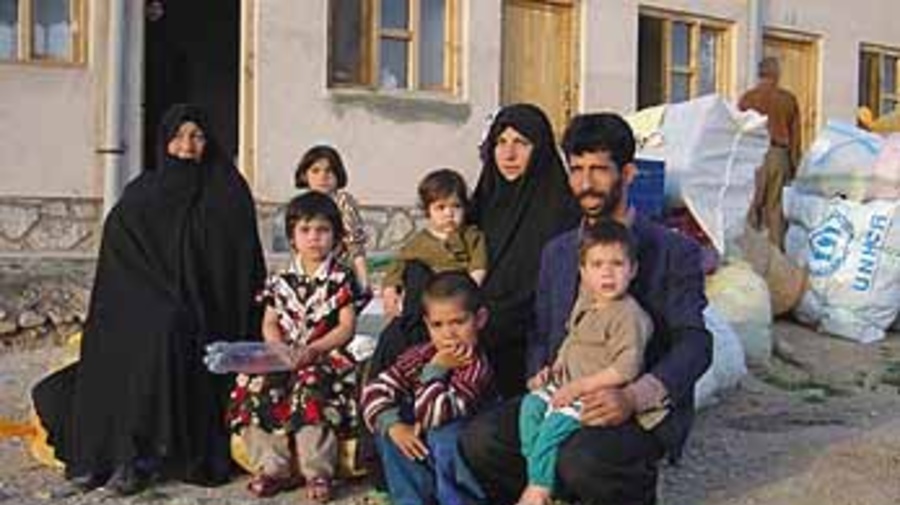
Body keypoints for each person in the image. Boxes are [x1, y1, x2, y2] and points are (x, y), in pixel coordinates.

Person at [461, 113, 712, 505]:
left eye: (599, 170)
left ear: (627, 173)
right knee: (481, 440)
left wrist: (633, 396)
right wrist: (540, 374)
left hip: (634, 405)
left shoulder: (671, 250)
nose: (586, 184)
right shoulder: (559, 251)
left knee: (583, 458)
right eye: (577, 170)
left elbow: (695, 344)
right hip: (565, 393)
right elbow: (542, 331)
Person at [31, 104, 266, 494]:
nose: (187, 145)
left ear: (208, 141)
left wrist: (183, 293)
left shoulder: (226, 189)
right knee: (114, 333)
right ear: (165, 141)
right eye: (179, 136)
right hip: (147, 296)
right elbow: (120, 250)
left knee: (161, 331)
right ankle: (98, 457)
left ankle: (138, 459)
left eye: (197, 136)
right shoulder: (144, 190)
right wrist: (148, 294)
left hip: (204, 310)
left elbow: (235, 264)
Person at [227, 192, 361, 502]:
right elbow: (270, 321)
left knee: (310, 389)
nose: (314, 238)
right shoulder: (280, 279)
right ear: (292, 237)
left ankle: (318, 472)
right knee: (256, 384)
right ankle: (273, 467)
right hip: (283, 354)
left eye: (323, 230)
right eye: (305, 230)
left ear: (336, 236)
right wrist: (278, 349)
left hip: (325, 354)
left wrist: (314, 350)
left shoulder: (341, 278)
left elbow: (346, 327)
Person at [517, 219, 658, 505]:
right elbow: (573, 337)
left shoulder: (628, 316)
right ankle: (543, 477)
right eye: (597, 265)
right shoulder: (587, 301)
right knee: (530, 407)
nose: (607, 273)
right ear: (583, 272)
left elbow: (626, 367)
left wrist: (580, 387)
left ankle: (540, 490)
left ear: (633, 270)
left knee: (555, 424)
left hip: (595, 394)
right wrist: (553, 367)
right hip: (567, 382)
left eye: (617, 264)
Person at [470, 103, 580, 399]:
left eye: (521, 143)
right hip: (469, 322)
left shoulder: (560, 212)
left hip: (525, 343)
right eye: (501, 142)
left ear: (540, 149)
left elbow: (549, 297)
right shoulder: (483, 202)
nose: (509, 154)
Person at [362, 272, 494, 505]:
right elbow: (374, 390)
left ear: (480, 319)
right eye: (438, 325)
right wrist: (394, 426)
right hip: (424, 444)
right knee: (393, 430)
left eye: (458, 322)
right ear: (427, 325)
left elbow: (435, 415)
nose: (448, 334)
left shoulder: (475, 367)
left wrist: (435, 370)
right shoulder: (420, 354)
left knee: (444, 436)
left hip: (459, 441)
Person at [369, 169, 487, 379]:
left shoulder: (471, 236)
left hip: (458, 297)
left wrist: (468, 289)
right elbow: (398, 266)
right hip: (425, 301)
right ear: (428, 211)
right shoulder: (419, 242)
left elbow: (478, 266)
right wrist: (390, 288)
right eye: (440, 208)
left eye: (456, 207)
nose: (449, 214)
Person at [738, 56, 801, 250]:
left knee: (751, 206)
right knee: (775, 210)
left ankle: (749, 254)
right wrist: (794, 166)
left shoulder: (747, 99)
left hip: (753, 156)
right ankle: (777, 258)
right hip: (778, 155)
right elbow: (796, 137)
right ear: (777, 75)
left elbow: (739, 130)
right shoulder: (788, 100)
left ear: (760, 74)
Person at [295, 145, 370, 293]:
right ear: (305, 175)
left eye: (329, 171)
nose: (322, 176)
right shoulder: (301, 204)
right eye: (315, 171)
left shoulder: (343, 202)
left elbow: (355, 245)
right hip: (307, 275)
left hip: (337, 276)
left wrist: (364, 281)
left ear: (338, 174)